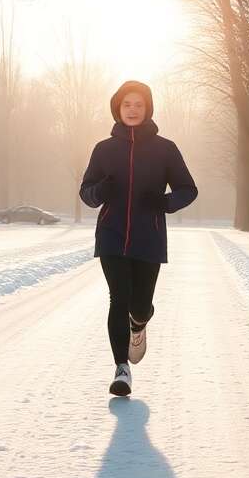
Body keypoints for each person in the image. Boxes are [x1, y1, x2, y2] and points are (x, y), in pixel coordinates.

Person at [79, 80, 198, 397]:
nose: (132, 110)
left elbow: (188, 189)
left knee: (139, 303)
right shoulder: (103, 150)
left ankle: (140, 322)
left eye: (139, 105)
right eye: (127, 104)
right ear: (117, 108)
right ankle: (122, 369)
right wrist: (100, 190)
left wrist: (165, 202)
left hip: (149, 237)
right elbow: (86, 193)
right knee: (118, 297)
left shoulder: (165, 149)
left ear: (148, 110)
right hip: (111, 236)